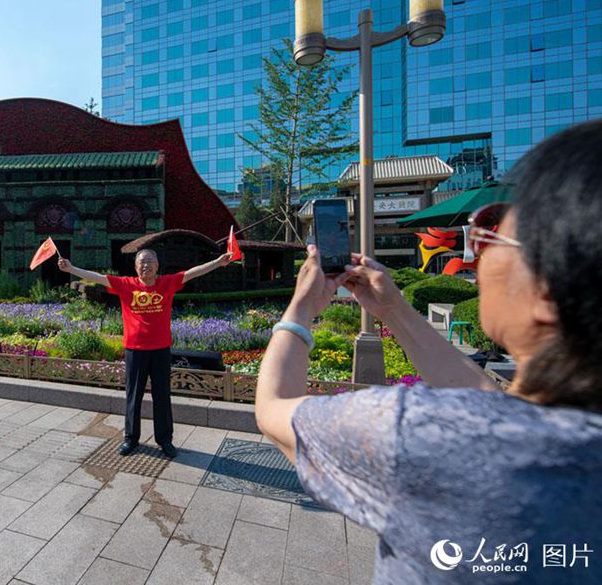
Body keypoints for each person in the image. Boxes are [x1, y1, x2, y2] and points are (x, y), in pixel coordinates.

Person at [255, 119, 602, 584]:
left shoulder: (418, 435)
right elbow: (490, 407)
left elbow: (274, 409)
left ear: (547, 290)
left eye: (491, 232)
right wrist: (395, 310)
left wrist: (300, 307)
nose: (478, 253)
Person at [59, 248, 233, 458]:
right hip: (135, 350)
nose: (146, 265)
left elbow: (193, 272)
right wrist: (71, 268)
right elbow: (97, 277)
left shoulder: (167, 283)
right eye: (141, 262)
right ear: (136, 267)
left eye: (150, 261)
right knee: (133, 396)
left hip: (160, 350)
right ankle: (130, 439)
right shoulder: (126, 285)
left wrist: (217, 262)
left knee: (162, 396)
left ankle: (165, 440)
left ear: (157, 266)